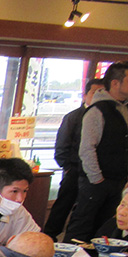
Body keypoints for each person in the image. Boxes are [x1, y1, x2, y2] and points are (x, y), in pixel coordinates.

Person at [65, 61, 128, 243]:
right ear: (115, 83)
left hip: (118, 181)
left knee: (106, 229)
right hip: (96, 180)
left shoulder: (124, 108)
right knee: (82, 226)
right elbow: (87, 148)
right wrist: (97, 178)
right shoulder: (97, 110)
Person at [44, 78, 105, 241]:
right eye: (95, 92)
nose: (99, 96)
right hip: (74, 170)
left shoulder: (104, 117)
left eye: (102, 92)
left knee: (85, 209)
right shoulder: (73, 116)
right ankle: (49, 236)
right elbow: (61, 146)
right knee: (63, 205)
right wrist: (68, 167)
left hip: (94, 173)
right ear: (85, 95)